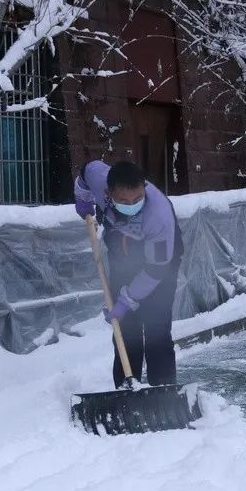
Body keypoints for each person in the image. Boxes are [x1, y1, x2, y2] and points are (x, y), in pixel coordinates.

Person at [74, 160, 183, 388]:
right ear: (108, 193)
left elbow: (155, 270)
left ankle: (162, 390)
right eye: (124, 201)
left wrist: (127, 300)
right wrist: (82, 198)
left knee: (156, 328)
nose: (132, 205)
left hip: (160, 261)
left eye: (137, 199)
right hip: (122, 250)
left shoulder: (159, 217)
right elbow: (85, 172)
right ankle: (126, 387)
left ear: (144, 188)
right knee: (125, 329)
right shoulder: (99, 178)